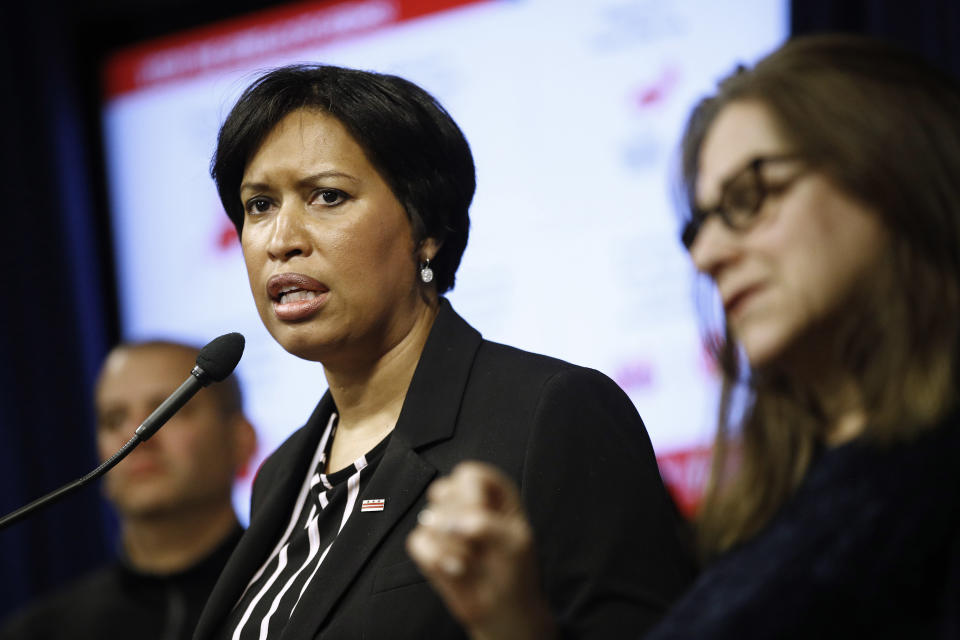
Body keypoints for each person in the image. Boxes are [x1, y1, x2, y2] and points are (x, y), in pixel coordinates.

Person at [406, 34, 960, 638]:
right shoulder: (767, 519)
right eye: (699, 225)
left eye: (750, 198)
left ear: (888, 171)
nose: (707, 254)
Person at [191, 64, 696, 640]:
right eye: (259, 205)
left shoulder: (551, 417)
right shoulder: (283, 475)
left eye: (327, 196)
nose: (281, 239)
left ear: (424, 228)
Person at [0, 340, 257, 640]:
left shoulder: (295, 600)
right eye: (114, 419)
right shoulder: (36, 633)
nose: (137, 437)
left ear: (241, 441)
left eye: (170, 411)